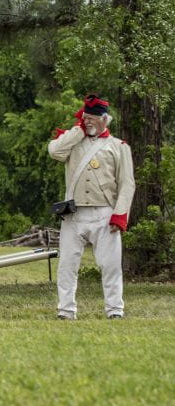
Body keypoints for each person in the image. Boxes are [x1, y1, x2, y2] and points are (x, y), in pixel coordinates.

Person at [48, 94, 134, 320]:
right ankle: (66, 310)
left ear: (105, 119)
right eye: (84, 118)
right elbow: (54, 151)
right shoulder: (73, 141)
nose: (87, 122)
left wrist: (119, 215)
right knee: (67, 265)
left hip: (104, 213)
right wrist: (77, 131)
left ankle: (115, 309)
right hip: (73, 213)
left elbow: (127, 184)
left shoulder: (119, 146)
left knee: (111, 265)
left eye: (92, 118)